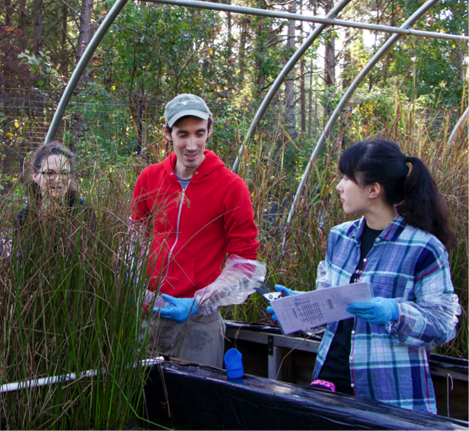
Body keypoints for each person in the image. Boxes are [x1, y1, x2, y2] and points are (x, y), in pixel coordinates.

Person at [267, 139, 460, 413]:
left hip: (389, 397)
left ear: (373, 189)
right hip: (328, 388)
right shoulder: (340, 238)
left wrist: (395, 312)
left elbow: (443, 325)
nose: (339, 186)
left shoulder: (424, 249)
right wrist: (303, 308)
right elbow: (334, 314)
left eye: (347, 178)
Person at [130, 93, 265, 368]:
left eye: (199, 133)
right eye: (182, 134)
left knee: (195, 404)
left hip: (199, 323)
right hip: (147, 317)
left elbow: (245, 262)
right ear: (168, 133)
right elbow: (133, 239)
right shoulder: (149, 178)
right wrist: (134, 287)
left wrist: (199, 301)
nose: (192, 145)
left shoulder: (231, 186)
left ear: (209, 131)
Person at [15, 141, 95, 245]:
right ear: (34, 176)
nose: (58, 180)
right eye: (49, 173)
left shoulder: (83, 210)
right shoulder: (24, 217)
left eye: (64, 173)